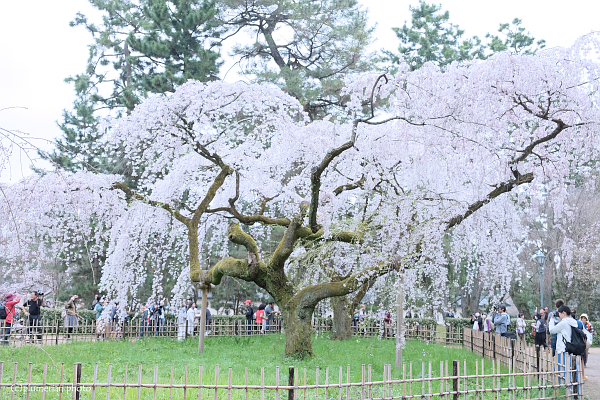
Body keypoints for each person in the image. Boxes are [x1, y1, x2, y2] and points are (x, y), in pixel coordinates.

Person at [549, 305, 581, 388]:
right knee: (573, 370)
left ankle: (565, 388)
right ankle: (575, 389)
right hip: (572, 348)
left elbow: (552, 330)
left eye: (559, 313)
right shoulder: (574, 321)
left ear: (563, 313)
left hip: (563, 349)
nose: (558, 315)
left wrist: (551, 320)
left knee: (562, 370)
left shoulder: (563, 323)